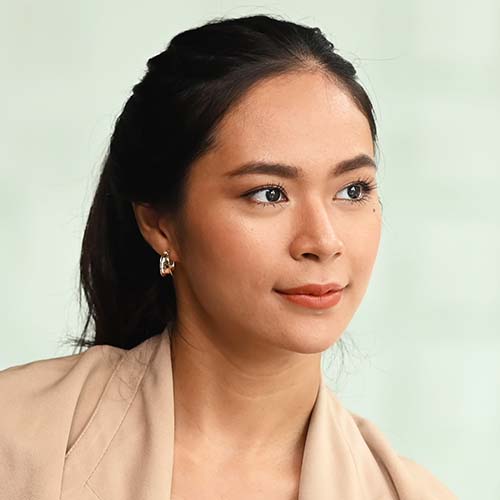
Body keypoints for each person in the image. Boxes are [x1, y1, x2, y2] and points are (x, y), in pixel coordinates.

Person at [0, 13, 457, 500]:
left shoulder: (408, 493)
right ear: (160, 224)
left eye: (351, 189)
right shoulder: (20, 438)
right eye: (268, 194)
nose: (323, 241)